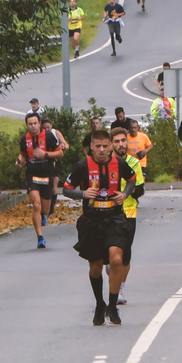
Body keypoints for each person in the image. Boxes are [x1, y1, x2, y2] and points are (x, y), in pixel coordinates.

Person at [64, 129, 137, 326]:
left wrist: (125, 194)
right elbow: (66, 189)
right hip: (92, 219)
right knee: (95, 266)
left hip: (115, 217)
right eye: (98, 146)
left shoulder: (120, 164)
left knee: (116, 258)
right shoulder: (82, 166)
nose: (102, 150)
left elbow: (132, 180)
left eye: (106, 146)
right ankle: (99, 304)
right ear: (92, 147)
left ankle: (113, 306)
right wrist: (83, 194)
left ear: (111, 146)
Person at [110, 126, 146, 308]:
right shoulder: (105, 163)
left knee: (125, 253)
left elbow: (140, 188)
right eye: (116, 141)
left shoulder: (134, 163)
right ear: (111, 144)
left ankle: (120, 288)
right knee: (108, 254)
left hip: (128, 211)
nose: (121, 144)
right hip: (107, 211)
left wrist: (129, 192)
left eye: (123, 141)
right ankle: (111, 268)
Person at [17, 112, 62, 248]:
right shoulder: (25, 138)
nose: (33, 126)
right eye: (30, 124)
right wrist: (19, 161)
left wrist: (45, 154)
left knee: (45, 210)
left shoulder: (48, 136)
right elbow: (23, 154)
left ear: (39, 123)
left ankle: (43, 215)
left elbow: (60, 153)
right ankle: (40, 237)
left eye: (35, 123)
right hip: (32, 175)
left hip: (47, 175)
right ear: (27, 125)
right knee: (36, 204)